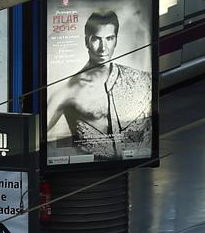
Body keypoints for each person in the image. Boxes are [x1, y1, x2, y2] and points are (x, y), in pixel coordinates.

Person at [47, 10, 153, 161]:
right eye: (96, 39)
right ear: (86, 41)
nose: (103, 47)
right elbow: (36, 138)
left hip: (132, 164)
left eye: (109, 38)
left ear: (116, 40)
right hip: (87, 170)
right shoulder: (68, 90)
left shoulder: (138, 78)